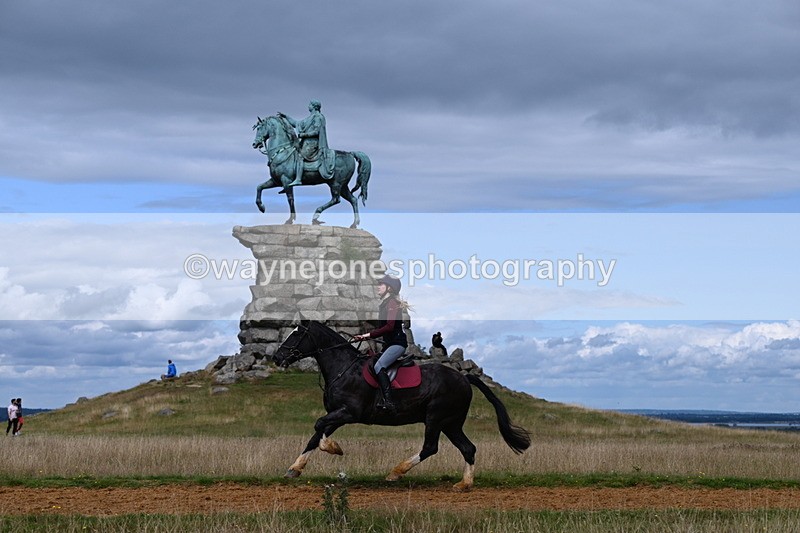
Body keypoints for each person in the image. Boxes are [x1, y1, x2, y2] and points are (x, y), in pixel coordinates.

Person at [354, 275, 409, 411]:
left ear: (389, 288)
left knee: (379, 366)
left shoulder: (392, 303)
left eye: (381, 284)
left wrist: (367, 335)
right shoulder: (384, 304)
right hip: (389, 345)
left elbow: (389, 327)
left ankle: (389, 401)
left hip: (398, 344)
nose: (378, 287)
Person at [276, 99, 336, 191]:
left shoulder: (318, 117)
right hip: (306, 143)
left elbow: (316, 132)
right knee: (292, 154)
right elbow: (296, 123)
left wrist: (304, 135)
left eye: (310, 105)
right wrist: (286, 117)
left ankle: (298, 179)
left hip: (313, 144)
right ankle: (288, 180)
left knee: (300, 156)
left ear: (314, 106)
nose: (308, 106)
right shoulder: (309, 118)